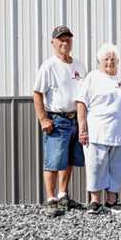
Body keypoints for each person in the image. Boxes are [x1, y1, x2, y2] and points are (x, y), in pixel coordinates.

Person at [33, 25, 86, 217]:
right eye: (61, 39)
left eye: (68, 39)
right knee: (53, 161)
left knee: (70, 160)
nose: (65, 42)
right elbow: (37, 93)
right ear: (53, 43)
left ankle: (63, 195)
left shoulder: (79, 65)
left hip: (75, 119)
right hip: (57, 119)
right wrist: (43, 119)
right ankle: (50, 199)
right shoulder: (49, 65)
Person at [76, 43, 121, 214]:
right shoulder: (93, 77)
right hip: (97, 132)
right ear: (99, 62)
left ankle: (111, 201)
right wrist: (82, 128)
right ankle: (95, 202)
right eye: (106, 59)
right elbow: (81, 103)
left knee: (118, 167)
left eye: (113, 59)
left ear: (118, 61)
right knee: (96, 165)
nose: (110, 62)